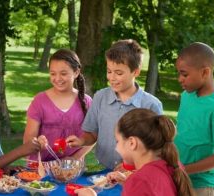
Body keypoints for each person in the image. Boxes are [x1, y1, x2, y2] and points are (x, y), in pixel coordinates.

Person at [67, 39, 163, 170]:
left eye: (119, 73)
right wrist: (81, 141)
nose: (112, 78)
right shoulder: (100, 97)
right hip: (101, 172)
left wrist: (130, 166)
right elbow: (93, 134)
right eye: (109, 71)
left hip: (135, 174)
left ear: (135, 72)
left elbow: (157, 150)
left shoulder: (151, 105)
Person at [76, 108, 195, 196]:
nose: (116, 147)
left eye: (117, 141)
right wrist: (127, 181)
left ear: (132, 143)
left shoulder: (140, 180)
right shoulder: (172, 164)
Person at [174, 42, 214, 195]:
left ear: (205, 72)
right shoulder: (187, 96)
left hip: (207, 187)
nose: (180, 79)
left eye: (184, 74)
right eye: (179, 73)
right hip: (183, 180)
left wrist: (184, 170)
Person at [23, 49, 93, 161]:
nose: (57, 78)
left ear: (76, 72)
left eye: (63, 73)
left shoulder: (87, 101)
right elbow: (28, 141)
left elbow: (93, 138)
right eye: (53, 74)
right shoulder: (40, 101)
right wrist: (38, 142)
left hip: (72, 168)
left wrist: (74, 158)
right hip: (40, 169)